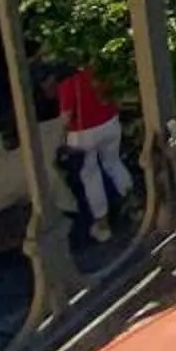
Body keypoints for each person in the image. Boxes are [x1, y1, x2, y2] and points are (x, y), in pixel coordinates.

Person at [55, 63, 131, 234]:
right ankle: (133, 205)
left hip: (83, 134)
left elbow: (66, 117)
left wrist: (62, 138)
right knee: (114, 164)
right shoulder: (99, 70)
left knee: (91, 176)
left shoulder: (69, 81)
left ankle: (102, 224)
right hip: (110, 123)